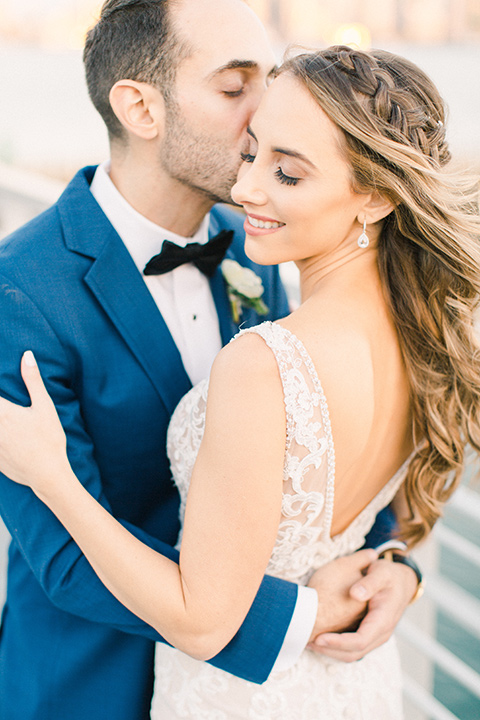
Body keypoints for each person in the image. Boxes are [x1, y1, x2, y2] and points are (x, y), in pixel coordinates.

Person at [0, 1, 421, 718]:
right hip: (90, 684)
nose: (269, 111)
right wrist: (301, 615)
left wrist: (392, 563)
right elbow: (65, 559)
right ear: (139, 107)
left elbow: (312, 440)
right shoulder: (22, 292)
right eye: (235, 87)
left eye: (271, 76)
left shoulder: (258, 236)